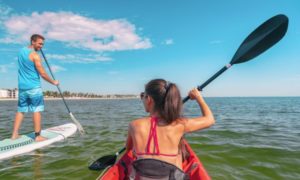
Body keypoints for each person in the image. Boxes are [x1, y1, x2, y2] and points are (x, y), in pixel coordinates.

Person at [126, 79, 215, 179]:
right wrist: (199, 97)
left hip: (143, 176)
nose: (142, 99)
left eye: (143, 96)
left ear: (149, 99)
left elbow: (129, 149)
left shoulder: (133, 125)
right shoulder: (180, 124)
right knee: (179, 153)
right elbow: (210, 120)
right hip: (169, 175)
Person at [11, 34, 59, 142]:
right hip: (34, 87)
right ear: (33, 42)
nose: (41, 46)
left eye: (42, 44)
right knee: (36, 110)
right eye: (40, 44)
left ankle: (14, 134)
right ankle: (38, 136)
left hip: (22, 87)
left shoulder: (21, 51)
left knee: (21, 110)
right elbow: (42, 73)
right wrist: (53, 82)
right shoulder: (35, 56)